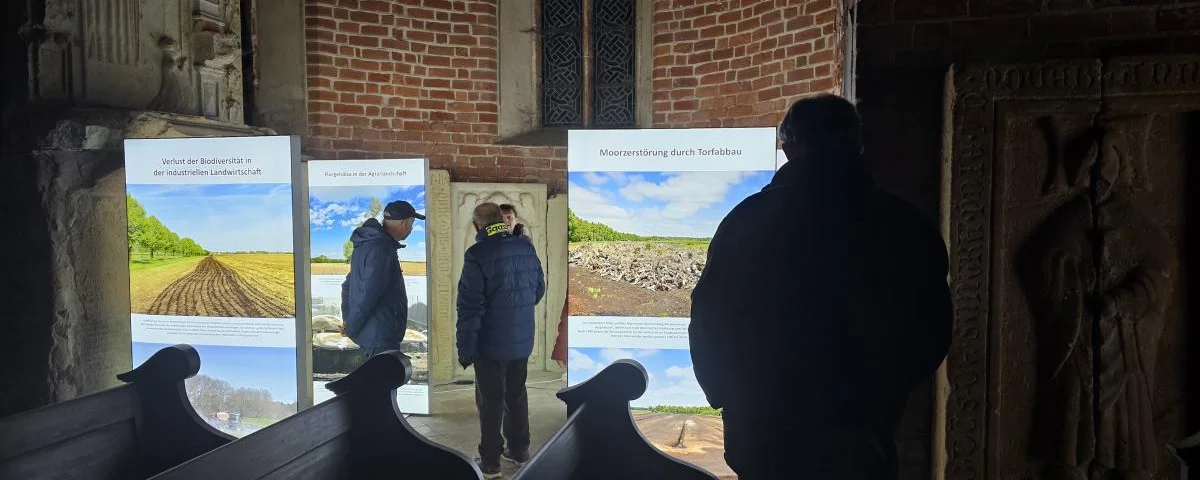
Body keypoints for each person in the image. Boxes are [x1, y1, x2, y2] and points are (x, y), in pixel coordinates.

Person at [688, 94, 953, 479]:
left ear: (788, 145)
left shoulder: (748, 221)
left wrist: (727, 396)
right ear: (857, 144)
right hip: (862, 424)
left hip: (765, 426)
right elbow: (933, 327)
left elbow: (709, 318)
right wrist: (887, 390)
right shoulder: (905, 223)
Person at [456, 202, 546, 479]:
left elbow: (470, 307)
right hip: (521, 340)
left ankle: (491, 460)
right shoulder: (525, 246)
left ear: (476, 226)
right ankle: (519, 450)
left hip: (490, 343)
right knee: (516, 395)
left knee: (490, 400)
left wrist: (466, 349)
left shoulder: (477, 254)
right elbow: (539, 289)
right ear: (500, 220)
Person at [340, 201, 424, 359]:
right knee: (381, 382)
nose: (411, 229)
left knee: (375, 382)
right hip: (381, 337)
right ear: (404, 223)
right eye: (412, 223)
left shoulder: (366, 245)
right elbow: (369, 294)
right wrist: (350, 327)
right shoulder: (382, 249)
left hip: (372, 335)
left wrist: (348, 321)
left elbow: (348, 285)